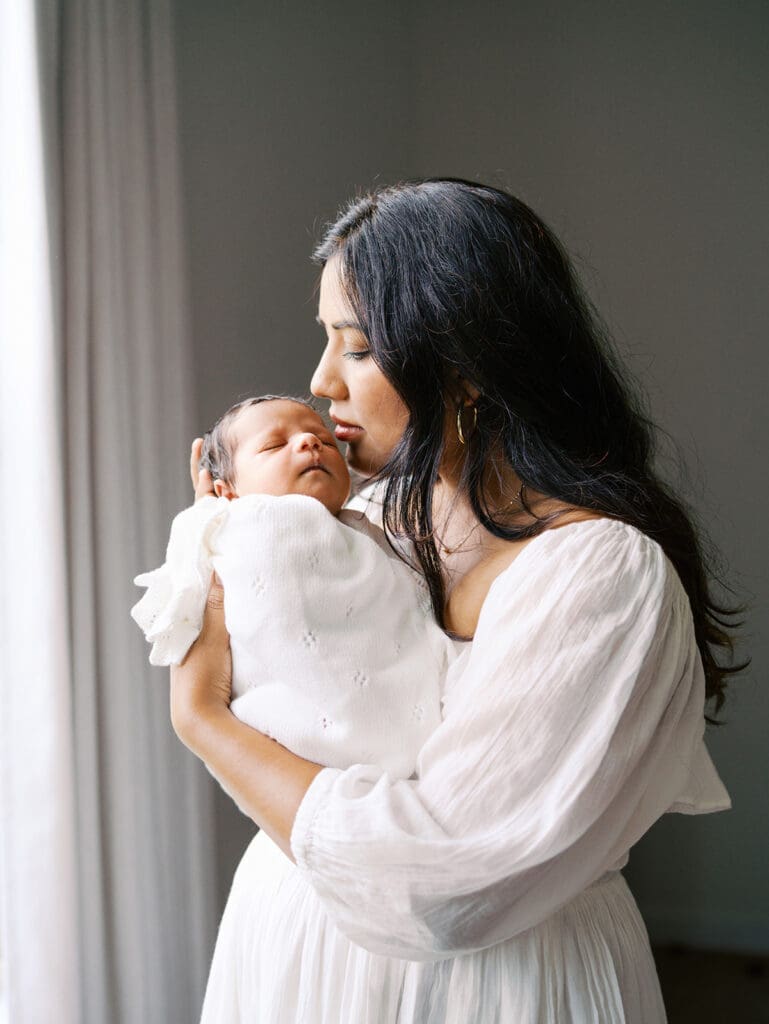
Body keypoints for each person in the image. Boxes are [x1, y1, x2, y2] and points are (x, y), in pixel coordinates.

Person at [171, 179, 742, 1023]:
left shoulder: (600, 575)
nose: (321, 381)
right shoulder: (361, 522)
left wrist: (202, 723)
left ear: (467, 365)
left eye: (356, 348)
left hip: (496, 983)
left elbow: (444, 884)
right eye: (327, 343)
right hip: (295, 943)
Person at [132, 395, 448, 777]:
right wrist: (203, 520)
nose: (310, 443)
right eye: (275, 445)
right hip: (299, 745)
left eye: (325, 440)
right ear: (227, 491)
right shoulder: (232, 523)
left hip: (410, 718)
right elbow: (183, 584)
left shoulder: (369, 525)